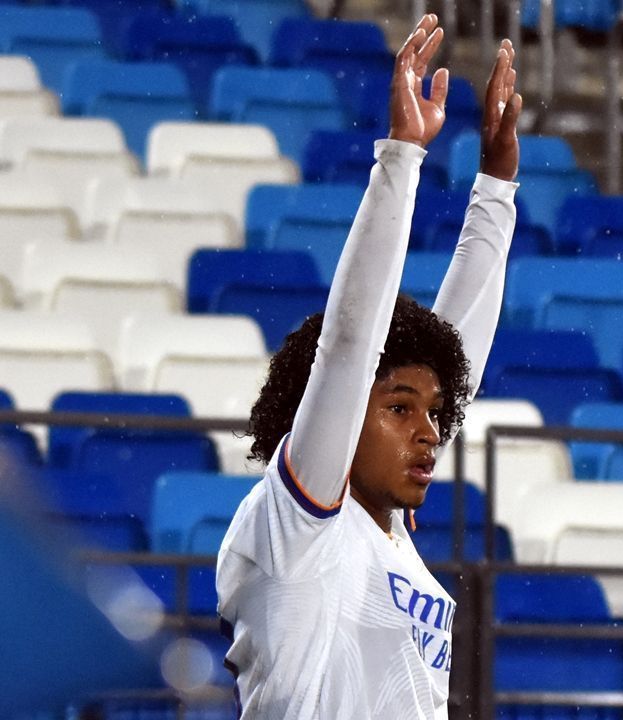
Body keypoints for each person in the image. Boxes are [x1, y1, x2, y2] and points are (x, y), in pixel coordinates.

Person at [215, 15, 522, 718]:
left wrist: (496, 190)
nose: (429, 432)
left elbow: (457, 359)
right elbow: (350, 346)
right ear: (342, 412)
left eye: (432, 415)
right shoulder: (300, 529)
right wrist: (402, 157)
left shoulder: (388, 527)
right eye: (399, 408)